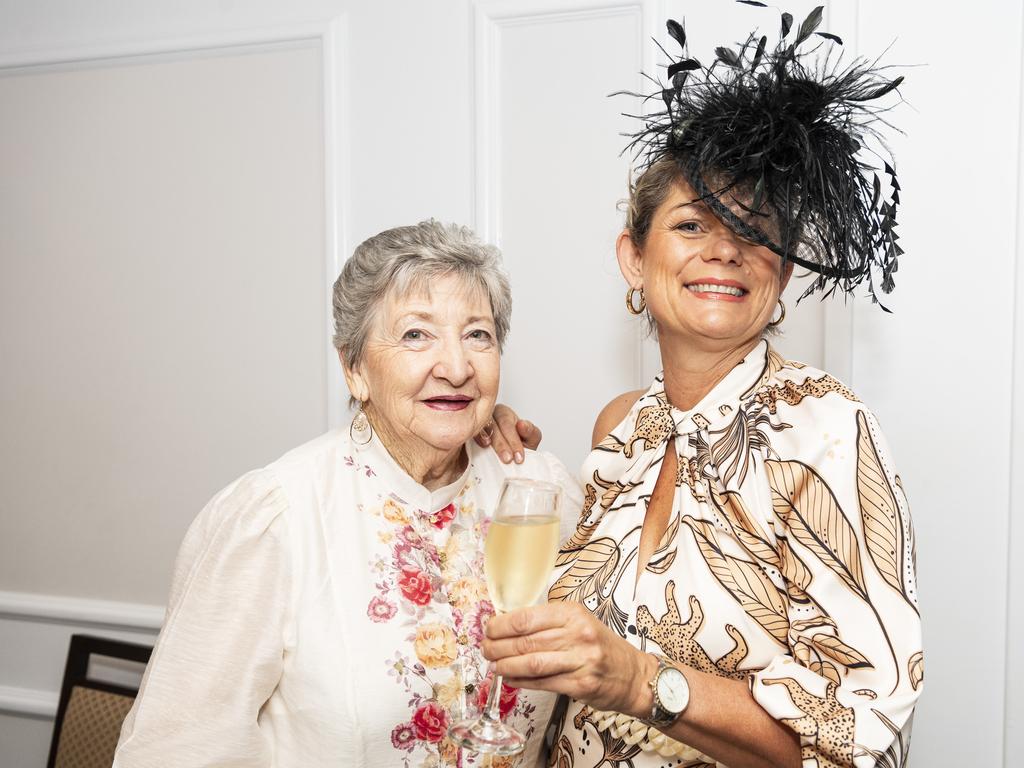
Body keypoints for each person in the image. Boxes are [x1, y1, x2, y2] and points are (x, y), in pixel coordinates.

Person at [482, 6, 922, 768]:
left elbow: (857, 732)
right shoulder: (620, 429)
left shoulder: (826, 428)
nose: (724, 249)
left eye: (753, 230)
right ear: (634, 256)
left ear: (780, 272)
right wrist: (477, 436)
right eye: (692, 225)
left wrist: (641, 681)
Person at [112, 220, 582, 768]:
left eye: (478, 335)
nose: (456, 368)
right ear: (353, 368)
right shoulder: (278, 518)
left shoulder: (542, 496)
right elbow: (175, 753)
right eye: (415, 334)